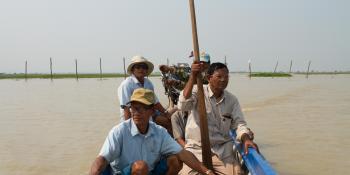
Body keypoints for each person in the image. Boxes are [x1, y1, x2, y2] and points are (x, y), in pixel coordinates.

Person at [89, 88, 215, 175]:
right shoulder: (119, 131)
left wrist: (207, 172)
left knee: (175, 160)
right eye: (134, 108)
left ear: (152, 111)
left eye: (141, 108)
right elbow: (101, 160)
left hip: (149, 171)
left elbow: (183, 153)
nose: (136, 113)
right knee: (140, 167)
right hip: (124, 172)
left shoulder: (159, 132)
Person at [178, 62, 258, 175]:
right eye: (219, 77)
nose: (223, 80)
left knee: (237, 173)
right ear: (209, 78)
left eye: (226, 77)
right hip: (196, 151)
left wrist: (246, 139)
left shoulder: (232, 100)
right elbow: (182, 106)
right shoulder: (197, 90)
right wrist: (193, 76)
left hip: (222, 153)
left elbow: (239, 124)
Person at [117, 55, 172, 134]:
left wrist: (166, 113)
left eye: (144, 67)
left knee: (169, 121)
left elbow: (155, 102)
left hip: (147, 116)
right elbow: (126, 108)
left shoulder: (148, 83)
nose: (141, 69)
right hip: (133, 118)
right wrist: (128, 129)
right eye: (138, 67)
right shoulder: (126, 85)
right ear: (133, 70)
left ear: (147, 70)